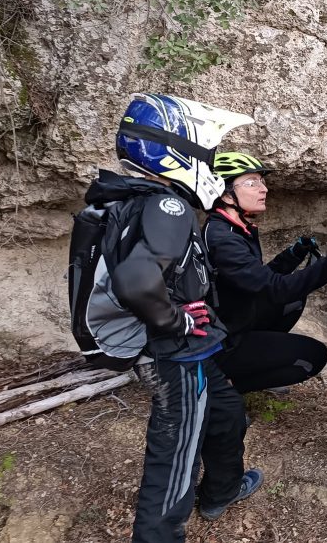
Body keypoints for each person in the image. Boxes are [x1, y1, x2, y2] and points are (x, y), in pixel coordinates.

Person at [102, 93, 261, 541]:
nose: (208, 163)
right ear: (177, 148)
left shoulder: (136, 197)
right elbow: (136, 279)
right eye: (205, 153)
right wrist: (178, 321)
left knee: (227, 412)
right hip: (176, 355)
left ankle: (222, 490)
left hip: (193, 350)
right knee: (175, 457)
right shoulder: (166, 205)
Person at [203, 152, 327, 394]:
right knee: (312, 356)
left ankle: (252, 362)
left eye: (262, 181)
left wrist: (292, 255)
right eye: (252, 182)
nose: (264, 189)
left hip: (235, 319)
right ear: (223, 192)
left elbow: (257, 279)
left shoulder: (235, 228)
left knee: (293, 302)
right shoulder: (223, 239)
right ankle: (222, 387)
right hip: (222, 342)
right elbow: (275, 289)